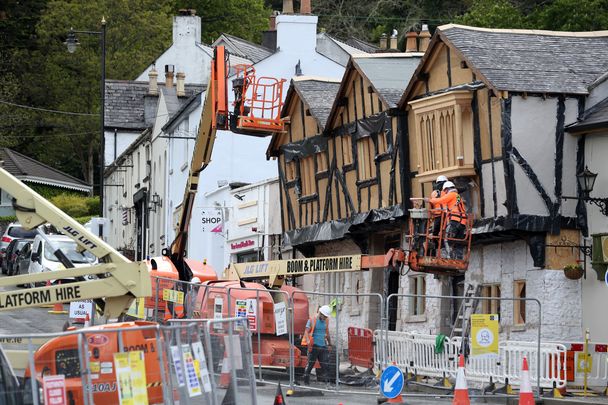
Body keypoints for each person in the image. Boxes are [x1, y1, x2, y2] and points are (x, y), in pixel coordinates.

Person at [427, 181, 467, 259]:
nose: (444, 192)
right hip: (462, 222)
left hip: (455, 221)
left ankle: (449, 257)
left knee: (447, 239)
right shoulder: (458, 196)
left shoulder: (451, 195)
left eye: (445, 191)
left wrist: (429, 200)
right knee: (459, 241)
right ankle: (459, 258)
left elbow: (440, 200)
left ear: (447, 189)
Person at [302, 305, 332, 385]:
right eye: (324, 316)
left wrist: (330, 344)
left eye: (326, 317)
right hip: (314, 345)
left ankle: (328, 383)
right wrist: (308, 342)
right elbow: (306, 332)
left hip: (323, 346)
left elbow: (327, 333)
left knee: (325, 365)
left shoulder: (326, 321)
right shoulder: (312, 320)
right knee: (310, 364)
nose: (325, 318)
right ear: (320, 313)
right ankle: (306, 382)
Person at [428, 175, 449, 255]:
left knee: (437, 233)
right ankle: (439, 248)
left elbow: (431, 205)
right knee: (439, 233)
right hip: (442, 215)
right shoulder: (446, 192)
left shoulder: (436, 193)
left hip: (441, 215)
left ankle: (438, 247)